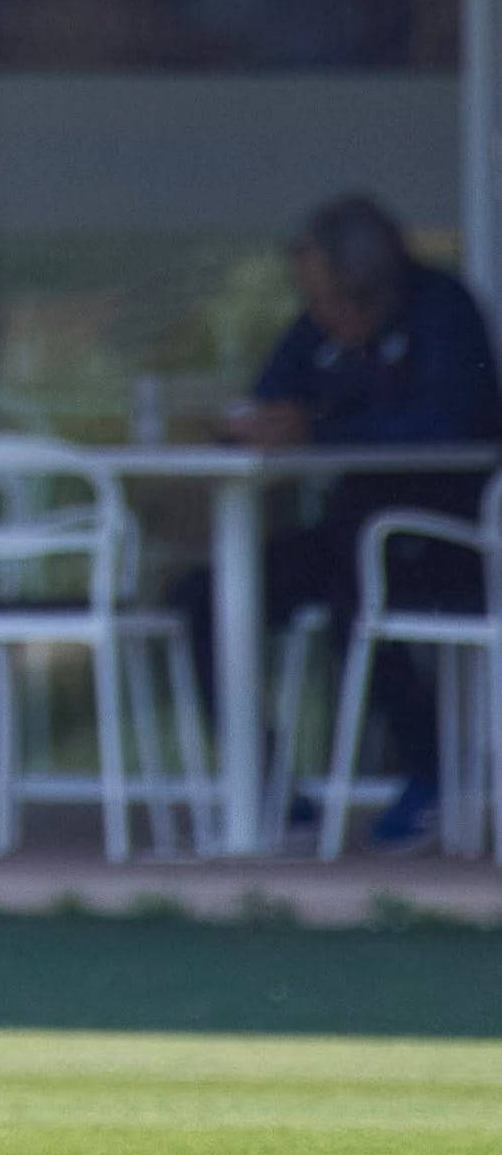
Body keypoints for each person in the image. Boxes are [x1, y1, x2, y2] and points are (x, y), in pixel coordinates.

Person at [173, 192, 502, 848]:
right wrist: (248, 426)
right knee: (201, 596)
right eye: (315, 300)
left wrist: (320, 431)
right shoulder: (317, 329)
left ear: (373, 289)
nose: (324, 316)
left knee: (360, 579)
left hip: (447, 537)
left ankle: (433, 770)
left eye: (337, 301)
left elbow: (451, 425)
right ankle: (268, 792)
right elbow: (273, 397)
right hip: (351, 533)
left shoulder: (443, 312)